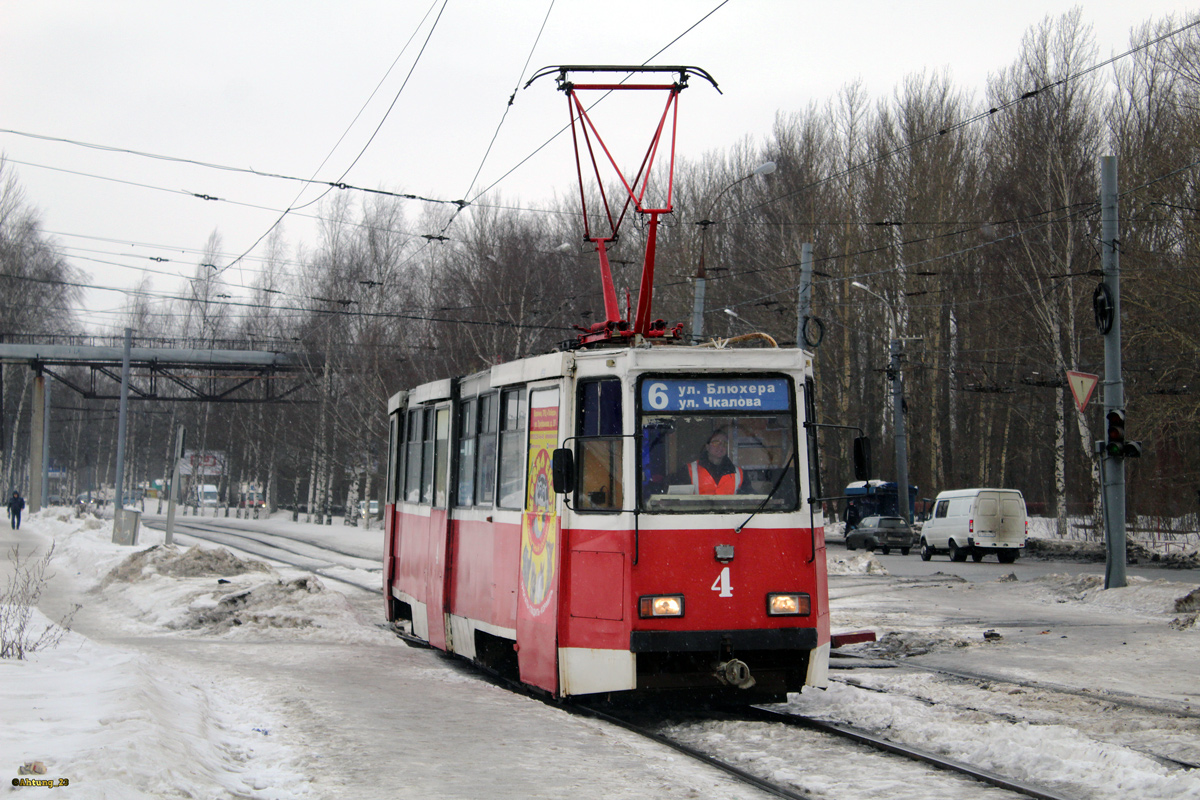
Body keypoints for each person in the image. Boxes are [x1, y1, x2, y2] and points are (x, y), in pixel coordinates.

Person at [683, 429, 750, 495]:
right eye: (716, 443)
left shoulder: (739, 474)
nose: (721, 446)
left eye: (724, 443)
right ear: (707, 446)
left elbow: (749, 500)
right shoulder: (689, 470)